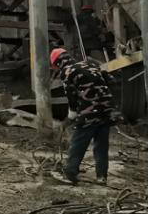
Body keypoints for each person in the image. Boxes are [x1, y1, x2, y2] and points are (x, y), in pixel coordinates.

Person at [49, 47, 116, 185]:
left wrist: (70, 118)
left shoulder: (66, 72)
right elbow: (111, 79)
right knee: (101, 144)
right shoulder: (89, 64)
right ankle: (101, 176)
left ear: (58, 63)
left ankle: (70, 173)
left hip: (89, 110)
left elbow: (71, 97)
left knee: (79, 141)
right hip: (107, 108)